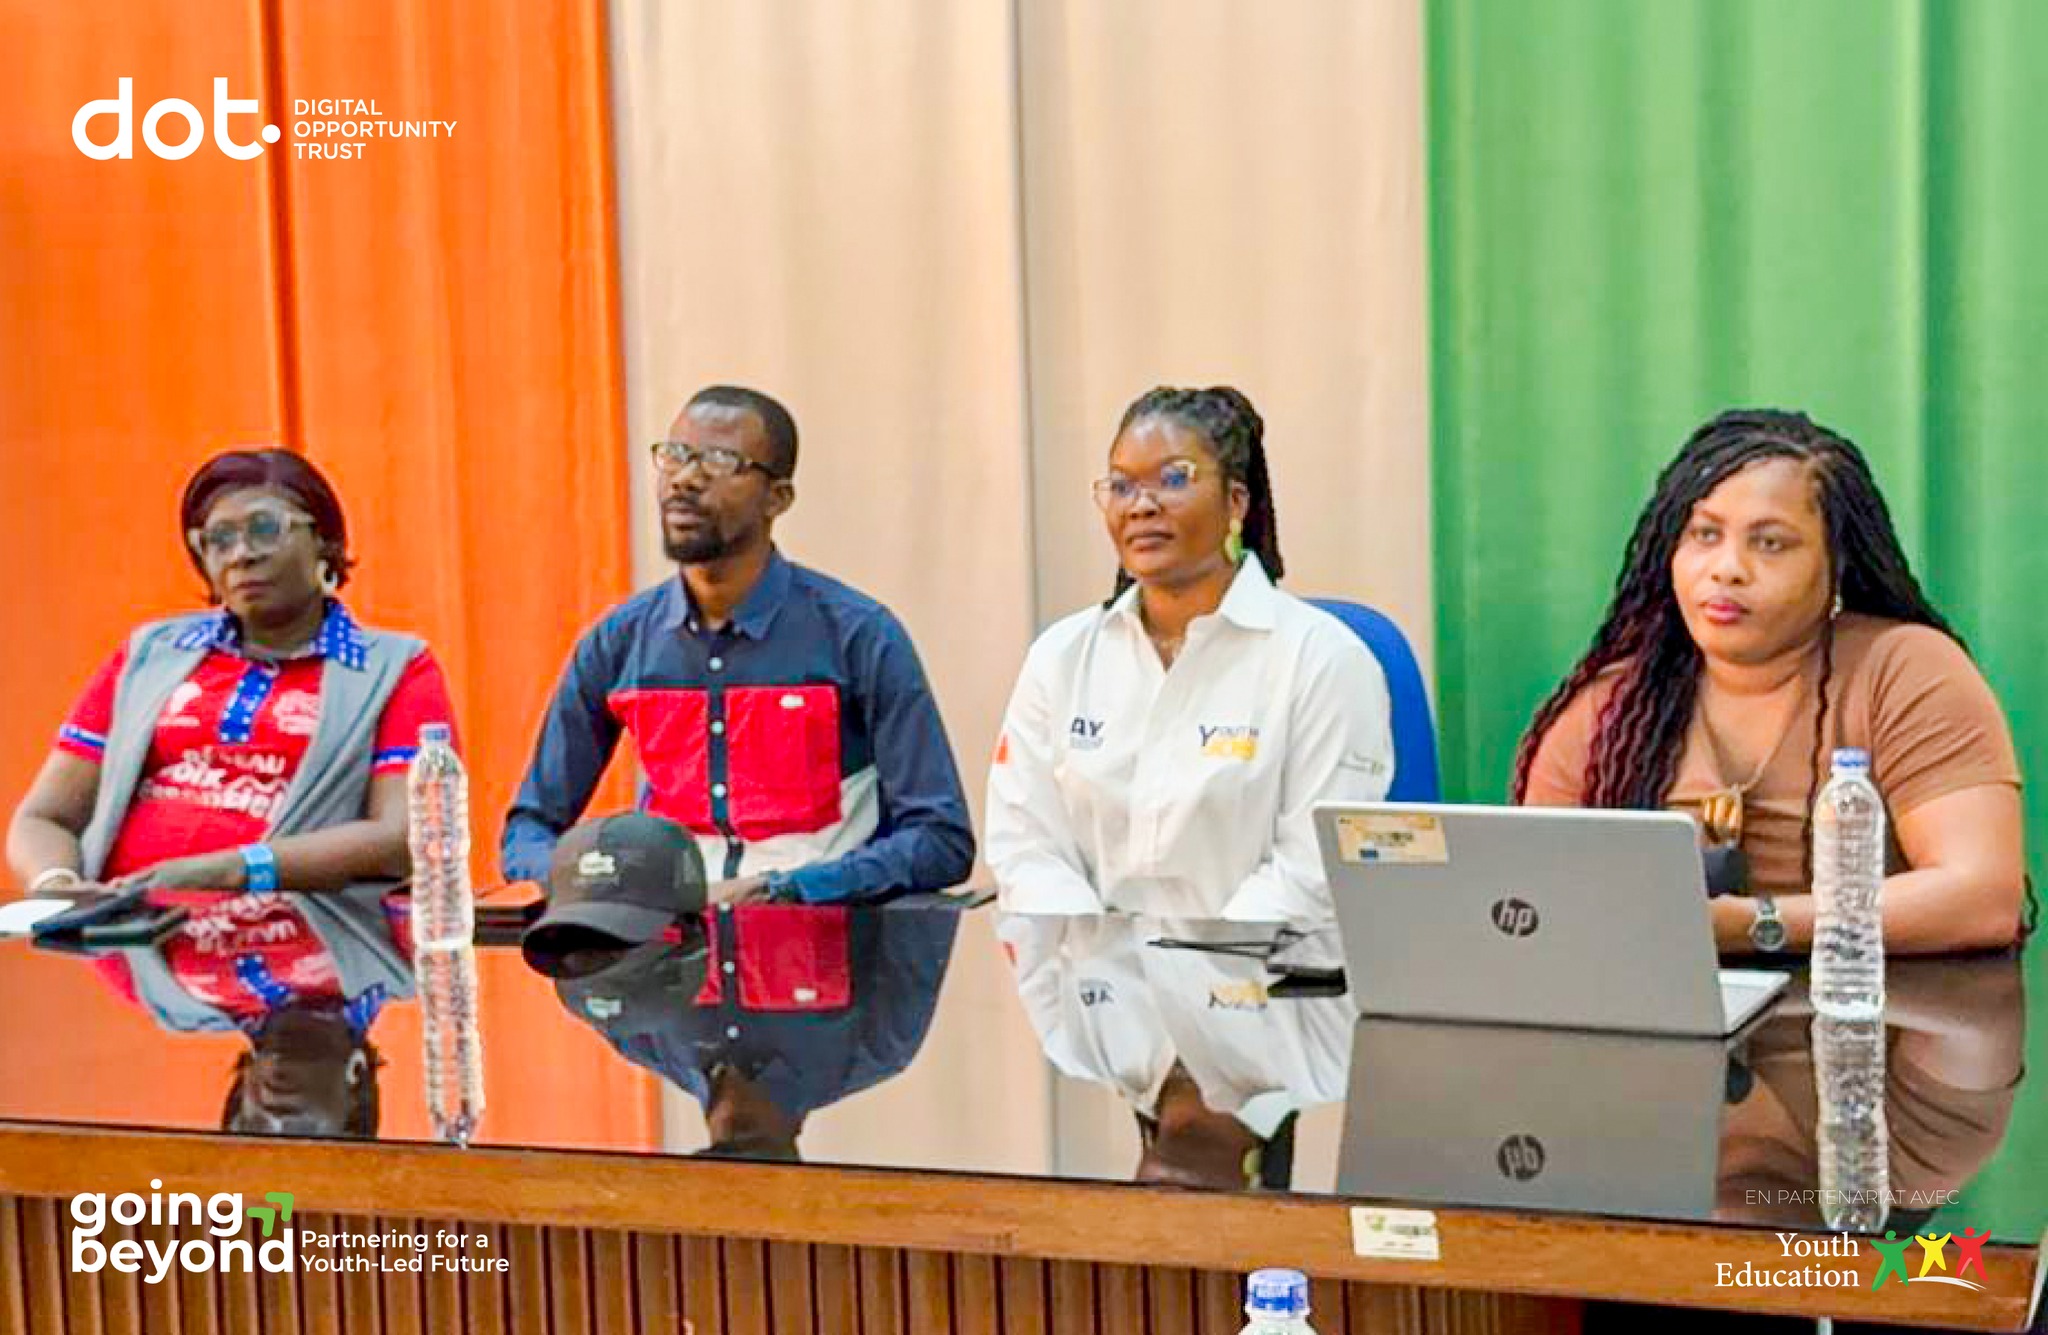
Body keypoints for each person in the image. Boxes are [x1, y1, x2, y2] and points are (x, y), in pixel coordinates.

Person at [5, 448, 456, 1135]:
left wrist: (225, 869)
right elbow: (44, 817)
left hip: (318, 918)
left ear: (326, 543)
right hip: (127, 916)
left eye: (263, 529)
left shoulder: (394, 666)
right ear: (354, 1091)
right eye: (218, 538)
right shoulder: (149, 654)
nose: (240, 553)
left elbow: (405, 838)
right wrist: (59, 886)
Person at [1514, 409, 2028, 956]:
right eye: (1705, 534)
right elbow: (1526, 907)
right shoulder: (1614, 710)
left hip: (1878, 1004)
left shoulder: (1903, 668)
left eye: (1771, 543)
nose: (1727, 568)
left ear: (1836, 563)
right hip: (1661, 1005)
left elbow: (1982, 898)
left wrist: (1752, 925)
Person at [502, 385, 975, 905]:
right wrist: (592, 882)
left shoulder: (859, 635)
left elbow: (940, 840)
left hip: (824, 931)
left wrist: (787, 888)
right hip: (668, 938)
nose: (685, 478)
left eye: (719, 460)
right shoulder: (619, 642)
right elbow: (528, 830)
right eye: (675, 455)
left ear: (778, 498)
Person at [986, 385, 1394, 922]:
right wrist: (1096, 953)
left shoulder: (1325, 660)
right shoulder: (1059, 658)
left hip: (1266, 967)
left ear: (1235, 503)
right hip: (1090, 968)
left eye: (1174, 478)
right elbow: (1026, 846)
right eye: (1121, 486)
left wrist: (1199, 965)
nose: (1141, 505)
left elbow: (1313, 868)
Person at [523, 813, 961, 1160]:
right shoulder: (876, 1047)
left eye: (727, 1158)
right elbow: (920, 901)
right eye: (761, 1158)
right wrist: (797, 888)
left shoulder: (639, 1036)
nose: (743, 1152)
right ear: (796, 1161)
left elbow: (590, 930)